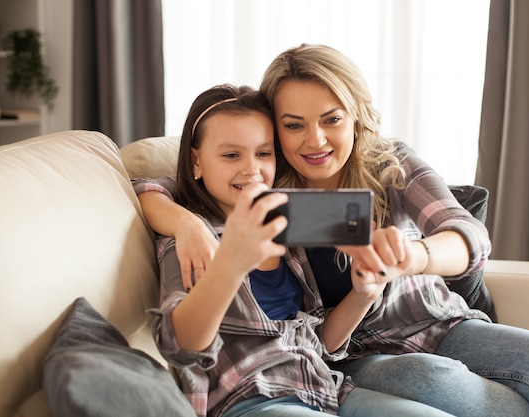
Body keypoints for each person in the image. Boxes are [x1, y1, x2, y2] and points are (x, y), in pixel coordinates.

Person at [135, 46, 529, 417]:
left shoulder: (388, 165)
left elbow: (466, 235)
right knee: (431, 382)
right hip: (345, 355)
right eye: (293, 125)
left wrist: (413, 257)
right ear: (276, 130)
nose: (315, 141)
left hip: (429, 322)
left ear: (355, 116)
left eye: (331, 120)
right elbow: (157, 183)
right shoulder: (269, 195)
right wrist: (186, 222)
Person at [142, 83, 458, 417]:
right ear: (196, 161)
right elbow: (182, 345)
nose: (251, 169)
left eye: (263, 153)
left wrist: (365, 292)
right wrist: (229, 263)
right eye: (231, 155)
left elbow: (321, 343)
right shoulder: (189, 241)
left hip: (326, 388)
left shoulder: (287, 230)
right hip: (252, 398)